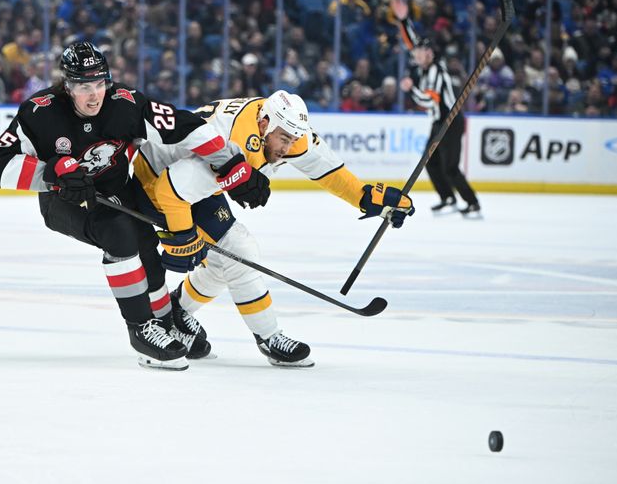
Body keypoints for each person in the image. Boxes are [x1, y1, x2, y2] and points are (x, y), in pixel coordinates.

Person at [0, 42, 270, 370]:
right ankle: (141, 330)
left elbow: (184, 126)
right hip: (64, 199)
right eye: (83, 87)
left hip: (117, 188)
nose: (94, 95)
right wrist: (51, 174)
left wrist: (232, 163)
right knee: (119, 234)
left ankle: (165, 320)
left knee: (147, 243)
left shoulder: (126, 103)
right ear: (67, 85)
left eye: (99, 84)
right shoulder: (41, 111)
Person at [131, 90, 415, 367]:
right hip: (157, 180)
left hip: (192, 180)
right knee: (239, 250)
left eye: (293, 140)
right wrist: (180, 238)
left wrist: (366, 198)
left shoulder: (280, 126)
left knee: (229, 257)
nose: (287, 150)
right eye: (283, 140)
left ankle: (179, 308)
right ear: (264, 125)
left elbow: (328, 171)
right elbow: (172, 190)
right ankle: (268, 337)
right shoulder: (231, 140)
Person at [391, 0, 481, 216]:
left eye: (419, 54)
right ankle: (448, 198)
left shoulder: (436, 72)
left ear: (429, 54)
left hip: (450, 122)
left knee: (450, 167)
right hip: (439, 122)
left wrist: (410, 89)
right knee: (430, 162)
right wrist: (404, 21)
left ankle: (472, 203)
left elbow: (428, 100)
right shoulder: (427, 66)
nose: (414, 55)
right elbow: (413, 43)